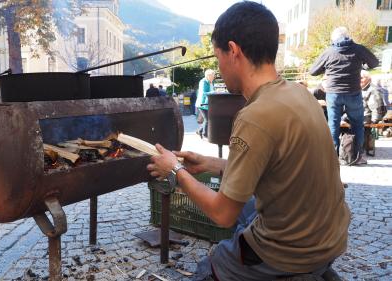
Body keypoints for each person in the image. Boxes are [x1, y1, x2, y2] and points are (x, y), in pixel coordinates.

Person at [147, 2, 349, 280]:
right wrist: (210, 163)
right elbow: (273, 166)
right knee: (250, 209)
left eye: (218, 58)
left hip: (290, 252)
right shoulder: (300, 94)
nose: (219, 69)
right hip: (331, 237)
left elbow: (222, 214)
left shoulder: (254, 116)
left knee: (211, 266)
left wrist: (175, 171)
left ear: (233, 51)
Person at [309, 26, 378, 164]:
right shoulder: (359, 49)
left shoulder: (328, 52)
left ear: (334, 39)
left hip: (333, 94)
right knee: (357, 124)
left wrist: (326, 68)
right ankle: (356, 156)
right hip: (353, 92)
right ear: (348, 36)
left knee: (333, 124)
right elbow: (374, 62)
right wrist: (362, 65)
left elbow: (313, 71)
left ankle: (331, 157)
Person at [196, 69, 215, 138]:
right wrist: (213, 92)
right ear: (208, 76)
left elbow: (211, 90)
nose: (213, 77)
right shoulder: (203, 82)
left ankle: (200, 131)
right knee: (207, 119)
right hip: (202, 104)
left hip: (208, 104)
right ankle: (205, 134)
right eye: (212, 76)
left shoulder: (210, 82)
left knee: (207, 119)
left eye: (213, 76)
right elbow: (203, 92)